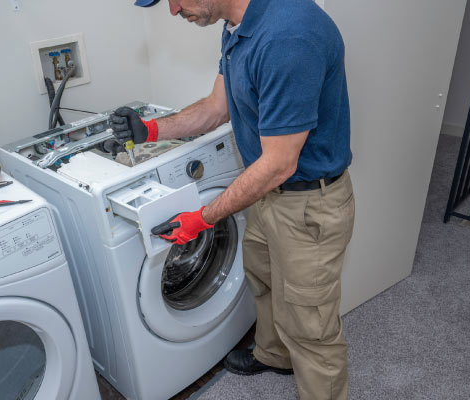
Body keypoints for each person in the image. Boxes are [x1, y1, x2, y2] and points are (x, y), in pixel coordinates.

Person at [108, 1, 354, 398]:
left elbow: (278, 164)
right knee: (265, 281)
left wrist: (201, 218)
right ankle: (274, 355)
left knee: (312, 327)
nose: (172, 11)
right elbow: (215, 108)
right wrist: (149, 130)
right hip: (266, 196)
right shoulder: (237, 26)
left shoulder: (288, 36)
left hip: (308, 205)